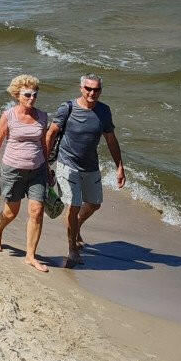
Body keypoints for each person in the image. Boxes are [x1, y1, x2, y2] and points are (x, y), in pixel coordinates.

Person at [50, 74, 126, 268]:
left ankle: (76, 227)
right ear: (81, 88)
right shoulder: (67, 108)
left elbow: (111, 139)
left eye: (96, 89)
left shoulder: (104, 111)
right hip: (67, 164)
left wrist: (120, 166)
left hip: (90, 165)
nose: (92, 93)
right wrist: (44, 161)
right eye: (88, 89)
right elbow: (51, 133)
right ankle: (72, 249)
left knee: (94, 203)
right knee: (73, 205)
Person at [0, 75, 55, 273]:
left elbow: (43, 144)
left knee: (37, 211)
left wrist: (48, 169)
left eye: (35, 94)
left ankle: (30, 256)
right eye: (27, 94)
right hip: (13, 170)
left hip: (38, 170)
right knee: (11, 212)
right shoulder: (9, 115)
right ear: (17, 95)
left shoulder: (42, 116)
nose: (32, 98)